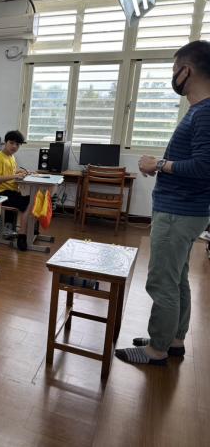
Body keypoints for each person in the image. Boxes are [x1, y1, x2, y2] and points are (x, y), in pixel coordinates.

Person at [116, 40, 210, 366]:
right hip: (186, 211)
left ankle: (156, 350)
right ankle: (174, 340)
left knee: (161, 282)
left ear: (187, 70)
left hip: (178, 212)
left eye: (174, 70)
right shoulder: (199, 111)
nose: (173, 76)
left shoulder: (204, 112)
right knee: (178, 278)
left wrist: (158, 164)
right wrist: (161, 166)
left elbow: (204, 167)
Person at [0, 130, 31, 251]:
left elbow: (10, 172)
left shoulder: (11, 157)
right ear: (5, 142)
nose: (14, 146)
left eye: (17, 144)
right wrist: (15, 176)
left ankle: (28, 230)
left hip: (12, 191)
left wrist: (21, 172)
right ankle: (22, 235)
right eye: (11, 143)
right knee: (29, 202)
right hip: (2, 193)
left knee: (33, 199)